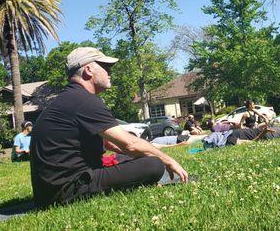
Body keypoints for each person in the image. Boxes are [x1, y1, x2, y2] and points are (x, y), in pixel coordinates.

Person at [30, 47, 187, 208]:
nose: (110, 72)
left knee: (136, 158)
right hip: (66, 191)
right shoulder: (84, 101)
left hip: (50, 190)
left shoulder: (70, 99)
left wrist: (141, 153)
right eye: (105, 67)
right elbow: (130, 145)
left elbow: (111, 143)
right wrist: (168, 160)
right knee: (154, 164)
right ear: (89, 70)